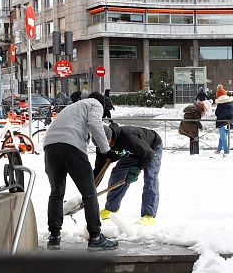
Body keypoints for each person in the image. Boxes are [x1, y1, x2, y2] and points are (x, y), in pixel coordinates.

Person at [42, 92, 118, 251]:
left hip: (50, 146)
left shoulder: (74, 108)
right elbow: (95, 123)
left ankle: (54, 238)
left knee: (56, 193)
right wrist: (107, 151)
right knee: (90, 193)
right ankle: (95, 238)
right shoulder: (94, 103)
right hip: (71, 146)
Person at [96, 122, 163, 225]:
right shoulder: (102, 145)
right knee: (116, 175)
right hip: (132, 152)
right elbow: (99, 169)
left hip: (151, 148)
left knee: (150, 177)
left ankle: (149, 215)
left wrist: (135, 170)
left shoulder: (128, 137)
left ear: (110, 137)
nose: (105, 147)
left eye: (106, 143)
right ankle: (111, 209)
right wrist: (90, 187)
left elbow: (148, 154)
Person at [214, 90, 233, 156]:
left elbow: (216, 113)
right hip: (229, 123)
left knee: (223, 138)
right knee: (222, 137)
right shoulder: (232, 102)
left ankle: (226, 151)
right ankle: (219, 149)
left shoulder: (220, 104)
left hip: (221, 123)